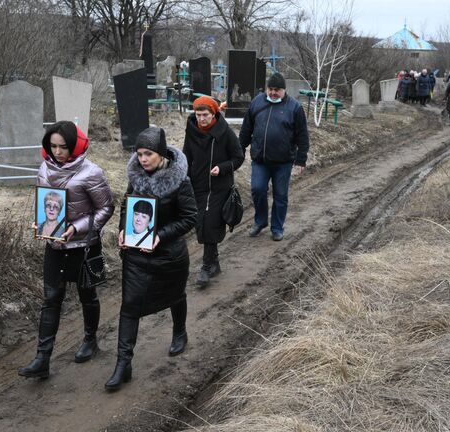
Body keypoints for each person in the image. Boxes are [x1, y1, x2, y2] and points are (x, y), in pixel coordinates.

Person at [19, 120, 114, 379]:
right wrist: (40, 222)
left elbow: (106, 209)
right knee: (51, 299)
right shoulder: (44, 168)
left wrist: (77, 228)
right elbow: (46, 202)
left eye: (63, 147)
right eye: (53, 146)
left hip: (83, 245)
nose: (57, 152)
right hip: (55, 245)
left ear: (73, 146)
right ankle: (42, 358)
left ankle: (90, 340)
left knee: (87, 295)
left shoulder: (92, 172)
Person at [106, 127, 197, 392]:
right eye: (139, 154)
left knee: (176, 296)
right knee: (130, 305)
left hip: (169, 255)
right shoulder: (135, 178)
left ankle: (180, 331)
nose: (143, 159)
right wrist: (123, 229)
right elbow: (127, 205)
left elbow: (190, 217)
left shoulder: (180, 180)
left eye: (148, 154)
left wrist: (161, 235)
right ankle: (123, 363)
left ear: (160, 154)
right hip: (136, 256)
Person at [239, 72, 309, 242]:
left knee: (280, 195)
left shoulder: (294, 108)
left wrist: (301, 159)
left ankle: (277, 227)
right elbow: (246, 129)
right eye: (270, 89)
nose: (272, 93)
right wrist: (239, 149)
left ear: (284, 90)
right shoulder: (257, 102)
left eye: (276, 90)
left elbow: (302, 136)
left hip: (283, 161)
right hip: (260, 160)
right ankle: (260, 221)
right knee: (257, 189)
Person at [183, 95, 244, 287]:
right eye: (198, 114)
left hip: (219, 187)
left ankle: (206, 266)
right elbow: (186, 155)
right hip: (198, 186)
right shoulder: (191, 130)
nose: (201, 119)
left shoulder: (224, 132)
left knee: (209, 224)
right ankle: (215, 262)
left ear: (214, 113)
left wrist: (223, 167)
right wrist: (183, 177)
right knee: (201, 223)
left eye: (205, 115)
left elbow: (238, 156)